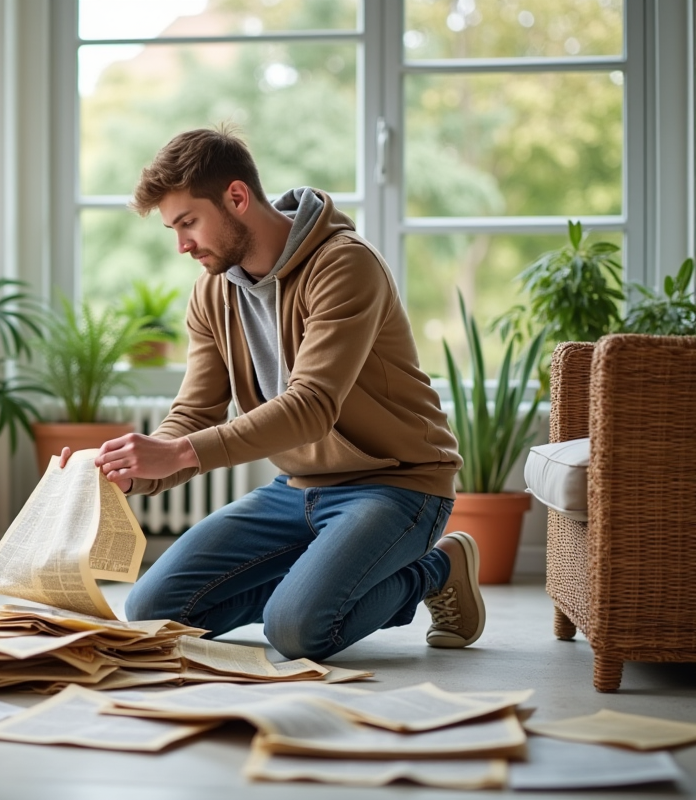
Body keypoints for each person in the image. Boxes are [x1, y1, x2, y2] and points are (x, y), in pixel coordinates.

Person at [60, 125, 481, 662]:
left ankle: (437, 568)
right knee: (151, 611)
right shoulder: (212, 292)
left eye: (188, 222)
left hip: (397, 484)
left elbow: (311, 407)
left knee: (297, 632)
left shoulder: (344, 264)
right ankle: (312, 586)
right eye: (173, 229)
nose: (182, 245)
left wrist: (180, 453)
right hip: (296, 489)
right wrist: (134, 470)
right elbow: (195, 411)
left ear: (237, 197)